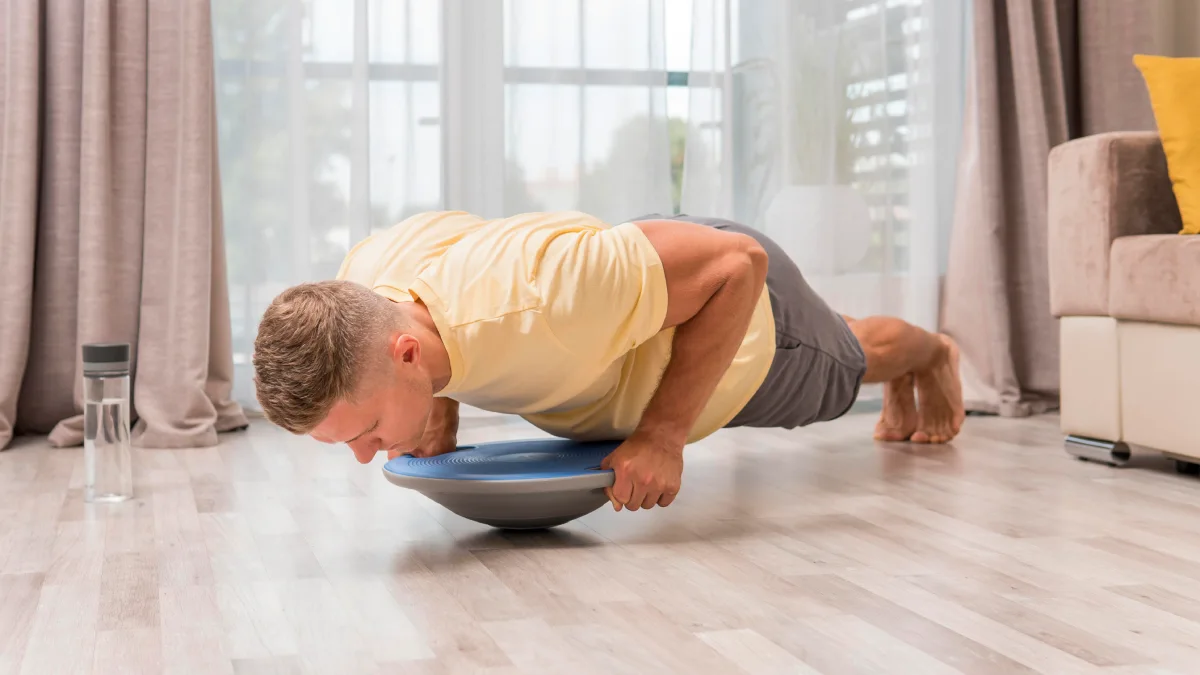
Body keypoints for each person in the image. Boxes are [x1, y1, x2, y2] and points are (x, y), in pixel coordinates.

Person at [252, 211, 964, 512]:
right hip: (631, 279)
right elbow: (449, 235)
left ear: (405, 352)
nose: (367, 456)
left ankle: (932, 355)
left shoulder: (541, 296)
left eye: (367, 429)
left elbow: (735, 265)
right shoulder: (366, 283)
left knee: (847, 354)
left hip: (738, 322)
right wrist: (437, 401)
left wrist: (661, 436)